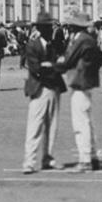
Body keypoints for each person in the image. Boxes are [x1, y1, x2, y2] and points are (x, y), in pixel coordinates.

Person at [56, 12, 102, 172]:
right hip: (86, 81)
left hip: (79, 81)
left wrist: (56, 65)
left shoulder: (80, 40)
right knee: (87, 121)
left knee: (80, 123)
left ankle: (85, 160)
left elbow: (68, 60)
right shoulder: (89, 39)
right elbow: (101, 58)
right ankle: (92, 156)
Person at [22, 13, 66, 174]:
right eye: (47, 27)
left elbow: (63, 63)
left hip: (54, 88)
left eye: (51, 27)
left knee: (52, 125)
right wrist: (53, 66)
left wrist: (51, 65)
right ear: (40, 28)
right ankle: (29, 161)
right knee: (35, 125)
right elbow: (36, 68)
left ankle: (47, 157)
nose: (50, 30)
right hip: (40, 87)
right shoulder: (33, 45)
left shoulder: (53, 45)